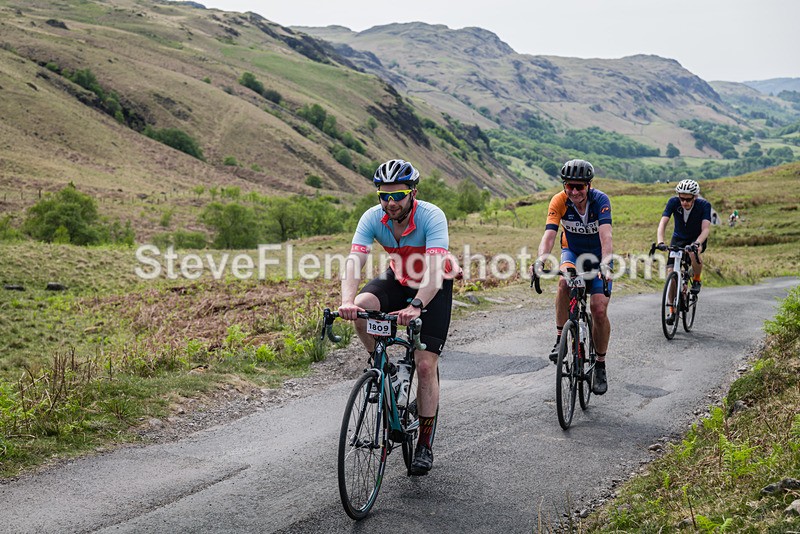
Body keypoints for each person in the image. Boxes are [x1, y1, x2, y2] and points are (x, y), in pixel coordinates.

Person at [338, 158, 456, 476]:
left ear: (412, 192)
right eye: (384, 195)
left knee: (425, 364)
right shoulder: (372, 218)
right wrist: (347, 301)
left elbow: (433, 271)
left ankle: (424, 446)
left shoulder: (431, 216)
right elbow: (355, 260)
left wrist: (417, 305)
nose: (390, 203)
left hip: (433, 285)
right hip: (398, 278)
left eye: (398, 195)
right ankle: (379, 364)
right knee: (362, 308)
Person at [530, 159, 613, 395]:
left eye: (579, 186)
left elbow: (606, 237)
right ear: (564, 186)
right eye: (570, 186)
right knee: (564, 282)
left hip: (598, 257)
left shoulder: (600, 202)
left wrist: (606, 265)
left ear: (589, 185)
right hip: (572, 253)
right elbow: (549, 235)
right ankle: (560, 339)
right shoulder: (559, 200)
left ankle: (600, 364)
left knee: (598, 309)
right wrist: (540, 260)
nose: (575, 192)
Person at [656, 179, 712, 323]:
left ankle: (697, 279)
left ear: (695, 197)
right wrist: (660, 241)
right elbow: (663, 222)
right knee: (670, 273)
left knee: (694, 252)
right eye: (682, 198)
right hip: (679, 238)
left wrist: (697, 243)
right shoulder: (673, 202)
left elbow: (706, 228)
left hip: (697, 237)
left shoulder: (704, 205)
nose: (684, 202)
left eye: (688, 199)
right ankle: (672, 311)